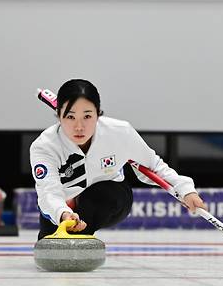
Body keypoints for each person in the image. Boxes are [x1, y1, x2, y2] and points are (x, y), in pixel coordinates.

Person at [30, 79, 206, 240]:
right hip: (62, 205)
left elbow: (154, 166)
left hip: (108, 198)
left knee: (100, 198)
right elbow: (49, 192)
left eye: (87, 116)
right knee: (47, 246)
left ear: (98, 114)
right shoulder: (44, 147)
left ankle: (81, 236)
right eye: (70, 117)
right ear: (59, 115)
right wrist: (63, 214)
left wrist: (185, 190)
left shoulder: (120, 133)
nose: (79, 126)